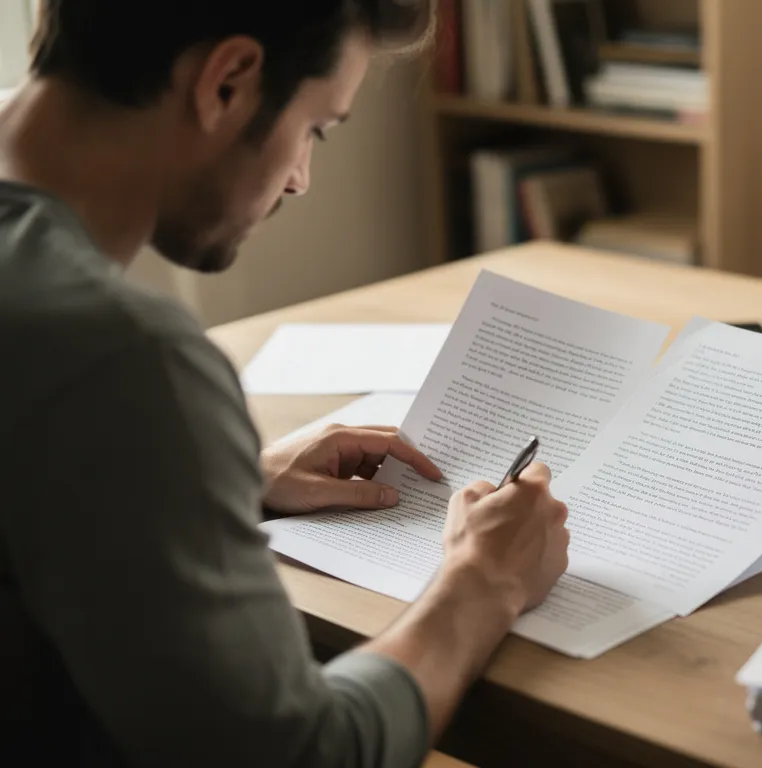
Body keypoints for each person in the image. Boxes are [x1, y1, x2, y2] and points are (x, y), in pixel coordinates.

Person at [0, 2, 571, 766]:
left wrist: (216, 476)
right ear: (228, 81)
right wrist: (483, 582)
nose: (300, 178)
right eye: (316, 128)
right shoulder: (122, 359)